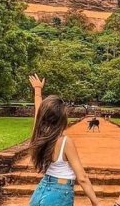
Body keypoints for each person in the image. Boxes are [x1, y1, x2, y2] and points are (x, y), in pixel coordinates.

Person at [28, 74, 101, 206]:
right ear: (62, 118)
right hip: (59, 194)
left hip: (41, 191)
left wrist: (38, 90)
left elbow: (38, 111)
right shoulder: (64, 142)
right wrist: (96, 202)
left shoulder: (39, 134)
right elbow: (82, 177)